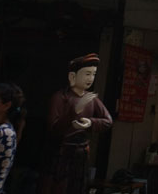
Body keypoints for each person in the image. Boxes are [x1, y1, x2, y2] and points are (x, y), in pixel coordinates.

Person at [40, 54, 113, 194]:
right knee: (58, 186)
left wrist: (90, 122)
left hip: (81, 153)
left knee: (78, 187)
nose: (90, 78)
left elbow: (108, 121)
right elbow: (53, 128)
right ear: (72, 77)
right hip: (61, 152)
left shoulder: (91, 99)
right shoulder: (60, 97)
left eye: (93, 74)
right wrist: (74, 113)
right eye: (87, 74)